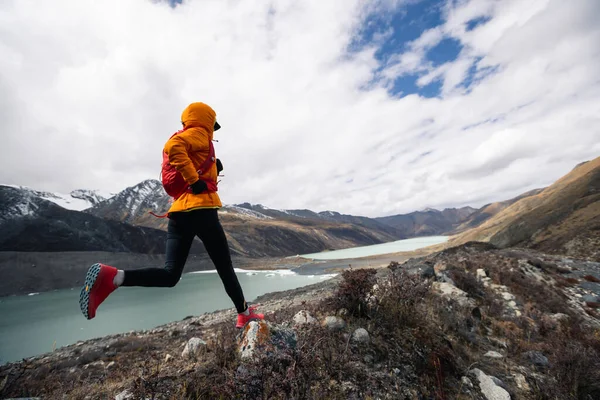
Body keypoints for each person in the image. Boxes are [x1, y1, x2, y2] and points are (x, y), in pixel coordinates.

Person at [79, 102, 264, 328]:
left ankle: (114, 277)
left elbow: (186, 160)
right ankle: (244, 313)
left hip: (179, 215)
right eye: (212, 125)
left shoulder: (193, 139)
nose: (212, 131)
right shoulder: (197, 134)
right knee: (225, 268)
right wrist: (195, 181)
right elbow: (174, 146)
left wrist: (212, 170)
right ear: (206, 120)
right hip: (202, 212)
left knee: (170, 275)